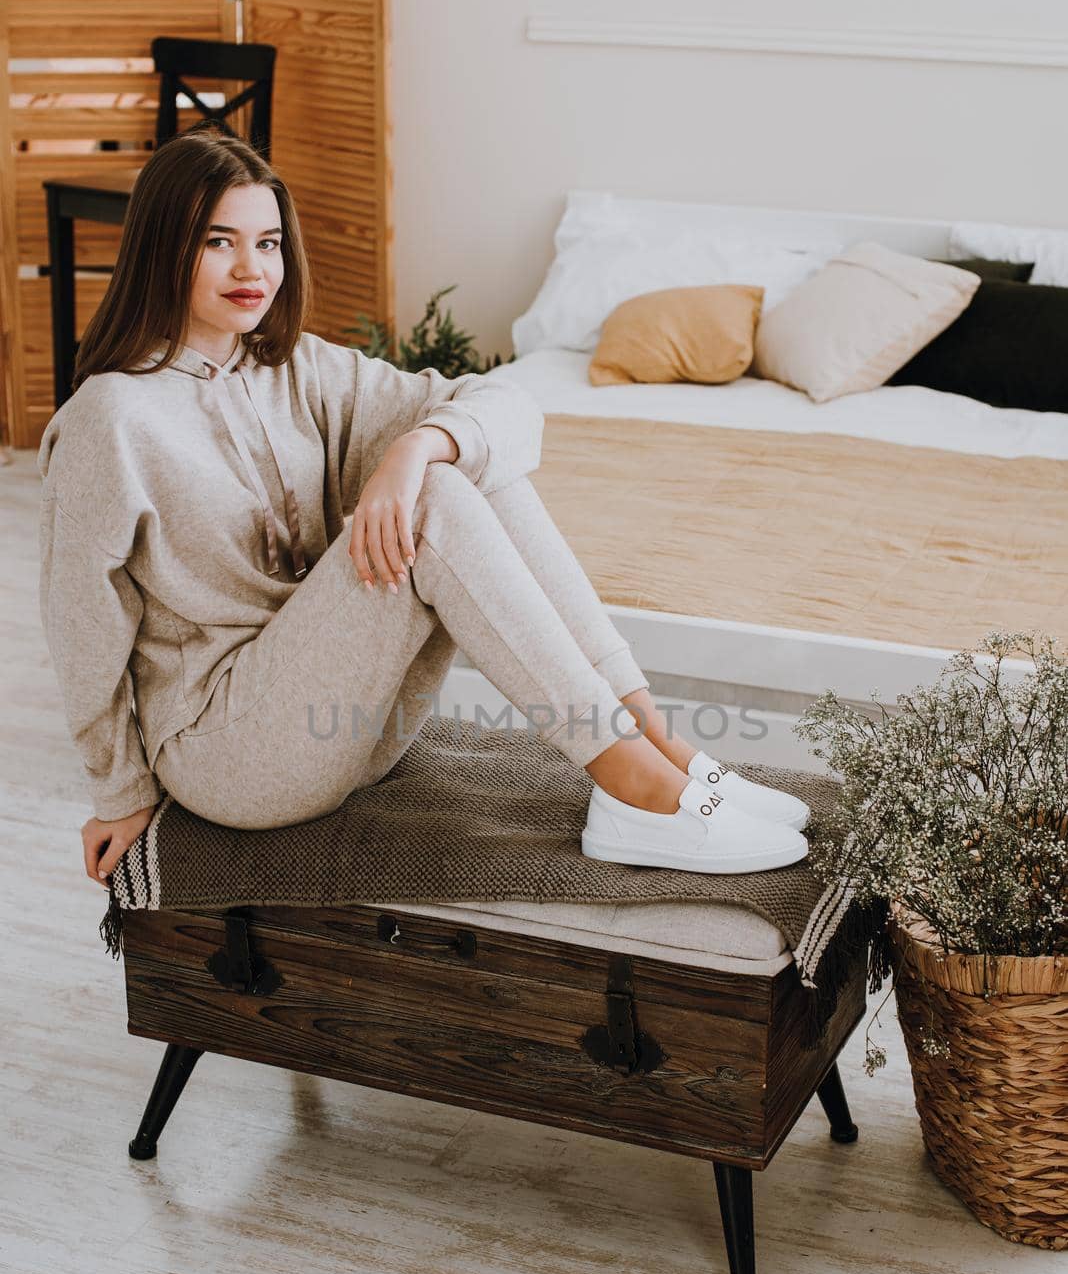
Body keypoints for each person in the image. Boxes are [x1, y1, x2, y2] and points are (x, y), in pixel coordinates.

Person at [36, 128, 809, 893]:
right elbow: (82, 626)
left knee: (463, 456)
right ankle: (635, 787)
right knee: (439, 496)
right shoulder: (111, 418)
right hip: (228, 755)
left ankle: (653, 741)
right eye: (218, 242)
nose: (252, 269)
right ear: (162, 248)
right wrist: (121, 793)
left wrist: (415, 450)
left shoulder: (295, 367)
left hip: (351, 733)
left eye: (268, 243)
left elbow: (510, 410)